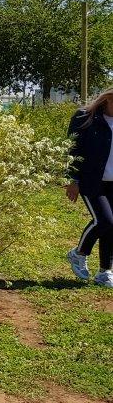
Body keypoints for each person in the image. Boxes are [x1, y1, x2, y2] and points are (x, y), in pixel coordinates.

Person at [66, 88, 113, 287]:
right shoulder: (85, 116)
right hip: (93, 181)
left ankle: (105, 272)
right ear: (110, 98)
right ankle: (79, 254)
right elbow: (73, 149)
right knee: (105, 221)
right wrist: (73, 180)